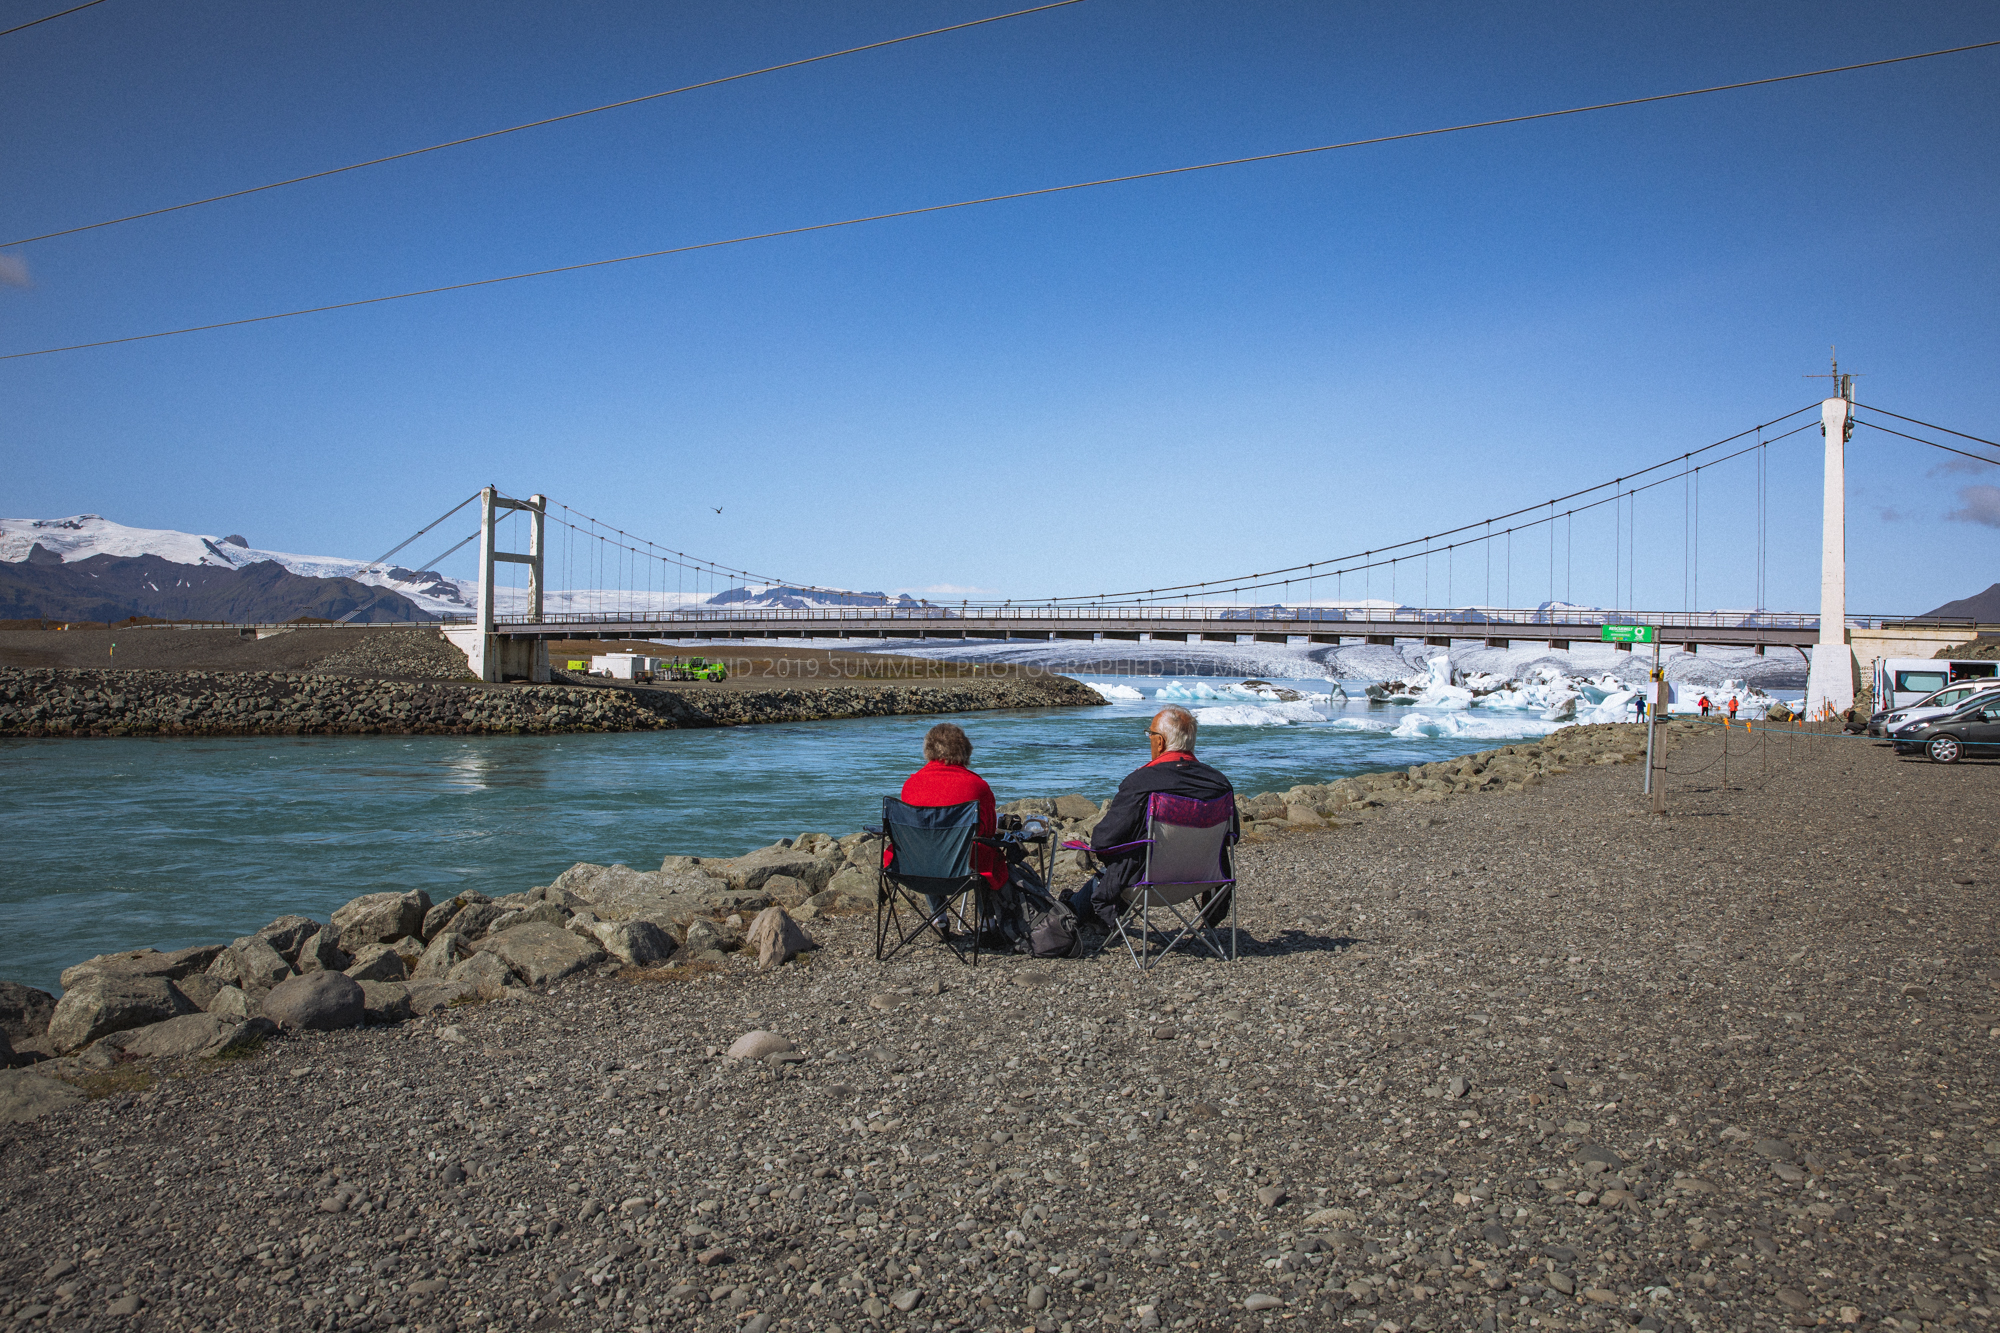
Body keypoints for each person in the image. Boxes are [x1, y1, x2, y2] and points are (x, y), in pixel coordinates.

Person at [1065, 706, 1236, 938]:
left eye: (1150, 733)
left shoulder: (1142, 782)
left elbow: (1104, 840)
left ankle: (1069, 911)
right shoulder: (1220, 784)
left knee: (1117, 869)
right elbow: (1232, 835)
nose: (1150, 739)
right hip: (1206, 880)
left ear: (1160, 742)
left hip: (1147, 884)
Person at [887, 722, 1004, 931]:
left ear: (928, 749)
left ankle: (938, 917)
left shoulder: (910, 785)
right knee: (983, 850)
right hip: (965, 872)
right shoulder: (977, 786)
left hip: (916, 871)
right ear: (965, 749)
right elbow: (988, 831)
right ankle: (986, 921)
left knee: (925, 846)